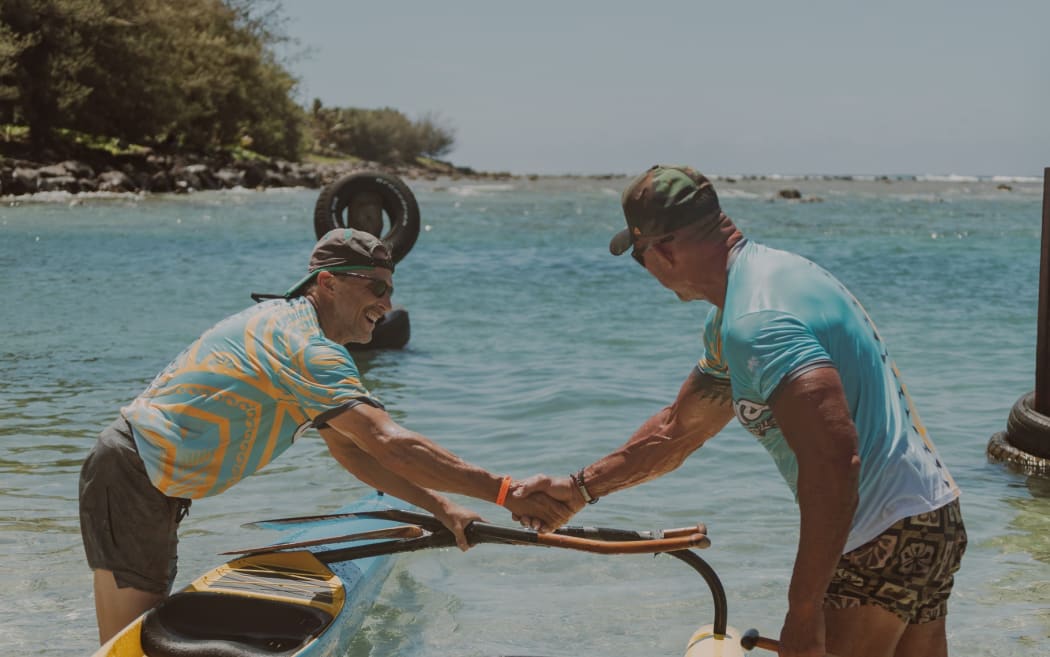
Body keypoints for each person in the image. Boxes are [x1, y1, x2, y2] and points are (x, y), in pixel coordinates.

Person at [513, 166, 966, 657]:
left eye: (639, 258)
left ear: (664, 251)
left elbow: (835, 460)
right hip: (930, 517)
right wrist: (579, 488)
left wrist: (802, 611)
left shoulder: (757, 324)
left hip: (877, 533)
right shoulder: (764, 289)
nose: (647, 271)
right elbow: (678, 430)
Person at [79, 228, 568, 645]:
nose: (387, 303)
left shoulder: (297, 332)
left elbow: (354, 452)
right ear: (328, 283)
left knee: (141, 639)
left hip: (146, 479)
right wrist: (504, 492)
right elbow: (390, 444)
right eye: (376, 286)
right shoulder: (305, 346)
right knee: (131, 647)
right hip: (134, 477)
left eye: (390, 289)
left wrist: (442, 508)